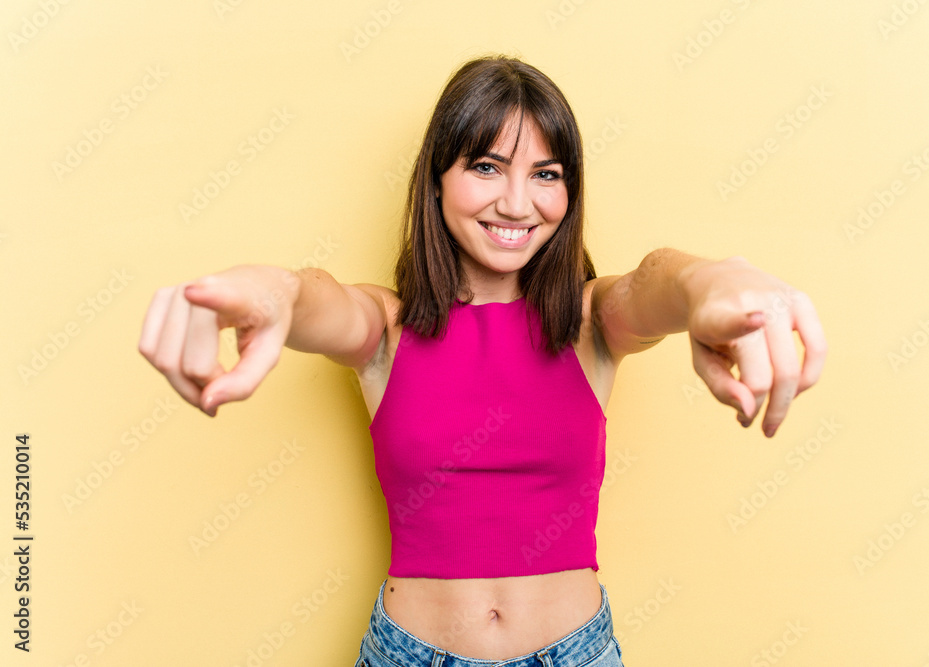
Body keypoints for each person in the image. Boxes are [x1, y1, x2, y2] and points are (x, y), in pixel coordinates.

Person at [139, 56, 825, 666]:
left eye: (545, 174)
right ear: (437, 181)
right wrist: (276, 289)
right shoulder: (387, 329)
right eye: (487, 166)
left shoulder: (589, 325)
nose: (516, 202)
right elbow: (321, 299)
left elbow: (654, 282)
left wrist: (711, 283)